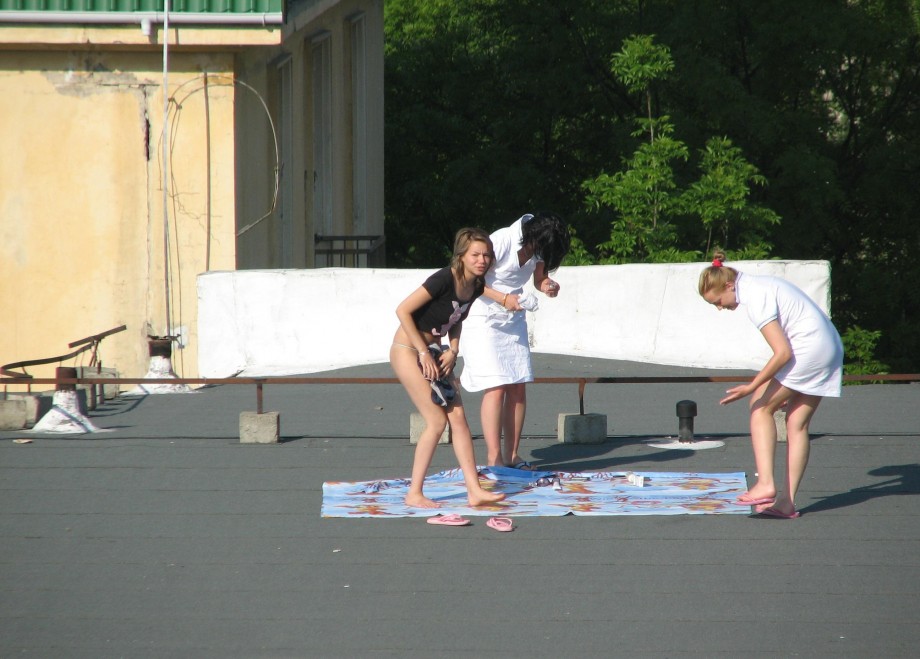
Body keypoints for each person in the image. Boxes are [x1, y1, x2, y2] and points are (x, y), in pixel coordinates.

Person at [698, 251, 844, 518]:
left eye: (718, 301)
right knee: (796, 424)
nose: (721, 307)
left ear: (729, 285)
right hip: (829, 347)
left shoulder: (755, 298)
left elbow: (782, 353)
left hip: (809, 351)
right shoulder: (762, 285)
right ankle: (787, 503)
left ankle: (765, 484)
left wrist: (752, 386)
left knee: (759, 407)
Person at [390, 227, 507, 509]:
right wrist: (423, 353)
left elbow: (456, 318)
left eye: (487, 255)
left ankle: (474, 490)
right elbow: (402, 310)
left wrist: (453, 350)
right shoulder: (444, 278)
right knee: (437, 421)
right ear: (462, 256)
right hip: (408, 350)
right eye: (476, 254)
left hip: (435, 352)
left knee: (459, 419)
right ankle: (414, 493)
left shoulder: (476, 286)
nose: (482, 260)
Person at [459, 212, 571, 469]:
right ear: (535, 238)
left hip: (513, 319)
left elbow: (538, 279)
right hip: (484, 317)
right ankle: (494, 457)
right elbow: (471, 280)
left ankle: (513, 455)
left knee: (518, 387)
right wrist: (503, 299)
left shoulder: (539, 247)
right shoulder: (501, 241)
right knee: (496, 387)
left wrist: (547, 285)